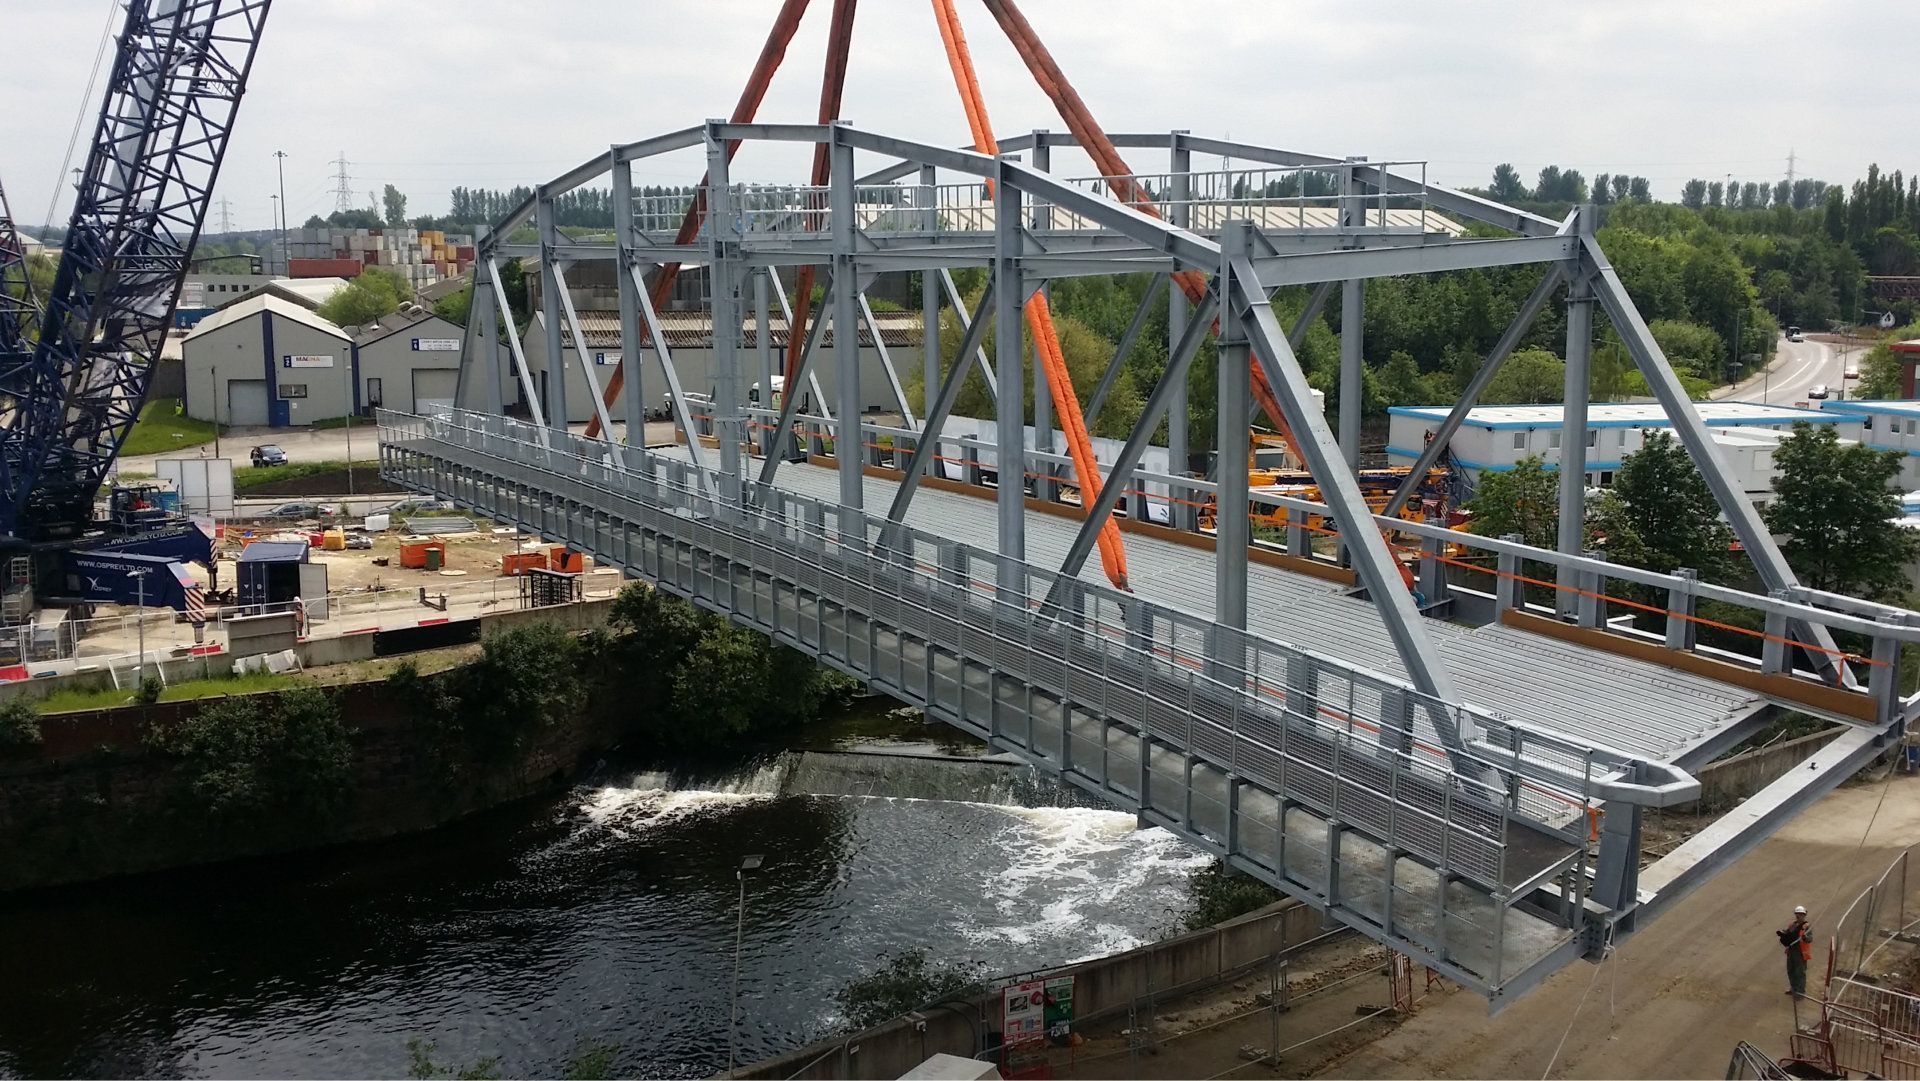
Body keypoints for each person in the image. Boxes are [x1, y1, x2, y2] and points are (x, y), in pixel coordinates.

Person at [1778, 905, 1813, 996]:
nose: (1799, 916)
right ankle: (1793, 989)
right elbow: (1788, 934)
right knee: (1791, 970)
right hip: (1791, 951)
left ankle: (1800, 992)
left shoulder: (1806, 927)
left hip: (1800, 953)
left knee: (1800, 972)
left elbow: (1810, 939)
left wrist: (1805, 937)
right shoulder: (1792, 925)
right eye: (1797, 914)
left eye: (1801, 914)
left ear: (1804, 915)